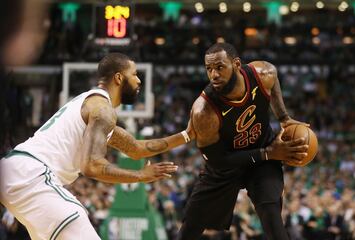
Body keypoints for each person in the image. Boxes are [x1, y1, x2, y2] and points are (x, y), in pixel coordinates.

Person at [0, 53, 195, 240]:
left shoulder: (95, 108)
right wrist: (141, 176)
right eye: (134, 74)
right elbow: (91, 167)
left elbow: (137, 148)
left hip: (16, 172)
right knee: (77, 215)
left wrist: (187, 135)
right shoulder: (102, 110)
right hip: (32, 174)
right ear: (119, 78)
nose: (139, 81)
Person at [177, 43, 309, 240]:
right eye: (209, 69)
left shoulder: (263, 74)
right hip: (226, 165)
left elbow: (273, 84)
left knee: (271, 213)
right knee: (191, 227)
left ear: (236, 64)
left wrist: (283, 117)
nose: (213, 75)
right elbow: (217, 160)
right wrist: (268, 153)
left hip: (263, 152)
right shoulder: (203, 111)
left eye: (219, 67)